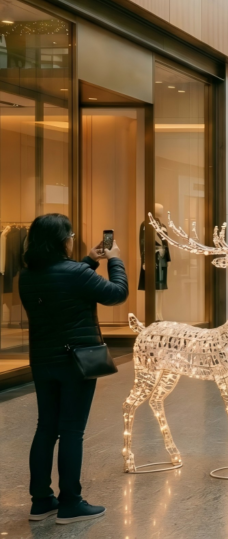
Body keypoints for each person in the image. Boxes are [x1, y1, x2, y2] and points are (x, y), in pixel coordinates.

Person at [19, 214, 128, 524]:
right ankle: (71, 503)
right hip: (77, 363)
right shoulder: (76, 273)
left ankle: (41, 501)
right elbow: (117, 294)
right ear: (62, 240)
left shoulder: (26, 275)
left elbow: (62, 285)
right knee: (71, 431)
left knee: (46, 428)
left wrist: (88, 261)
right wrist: (114, 260)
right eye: (70, 235)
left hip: (43, 362)